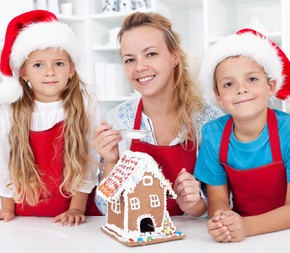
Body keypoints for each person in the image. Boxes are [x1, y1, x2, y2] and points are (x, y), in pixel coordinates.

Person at [195, 28, 290, 242]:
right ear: (218, 96)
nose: (241, 89)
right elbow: (217, 198)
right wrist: (222, 220)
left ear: (271, 86)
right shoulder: (213, 134)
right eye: (228, 84)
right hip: (244, 232)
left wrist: (245, 226)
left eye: (252, 79)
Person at [0, 10, 101, 226]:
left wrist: (76, 208)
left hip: (75, 212)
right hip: (26, 213)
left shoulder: (85, 104)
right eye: (38, 65)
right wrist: (6, 207)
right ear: (24, 73)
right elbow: (2, 159)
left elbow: (90, 159)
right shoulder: (13, 109)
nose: (49, 72)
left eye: (59, 64)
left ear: (71, 69)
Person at [93, 11, 223, 217]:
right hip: (139, 238)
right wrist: (110, 161)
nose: (140, 67)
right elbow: (106, 209)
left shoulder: (209, 120)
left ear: (174, 56)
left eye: (151, 54)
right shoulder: (117, 119)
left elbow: (223, 205)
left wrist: (195, 205)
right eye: (129, 60)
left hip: (194, 241)